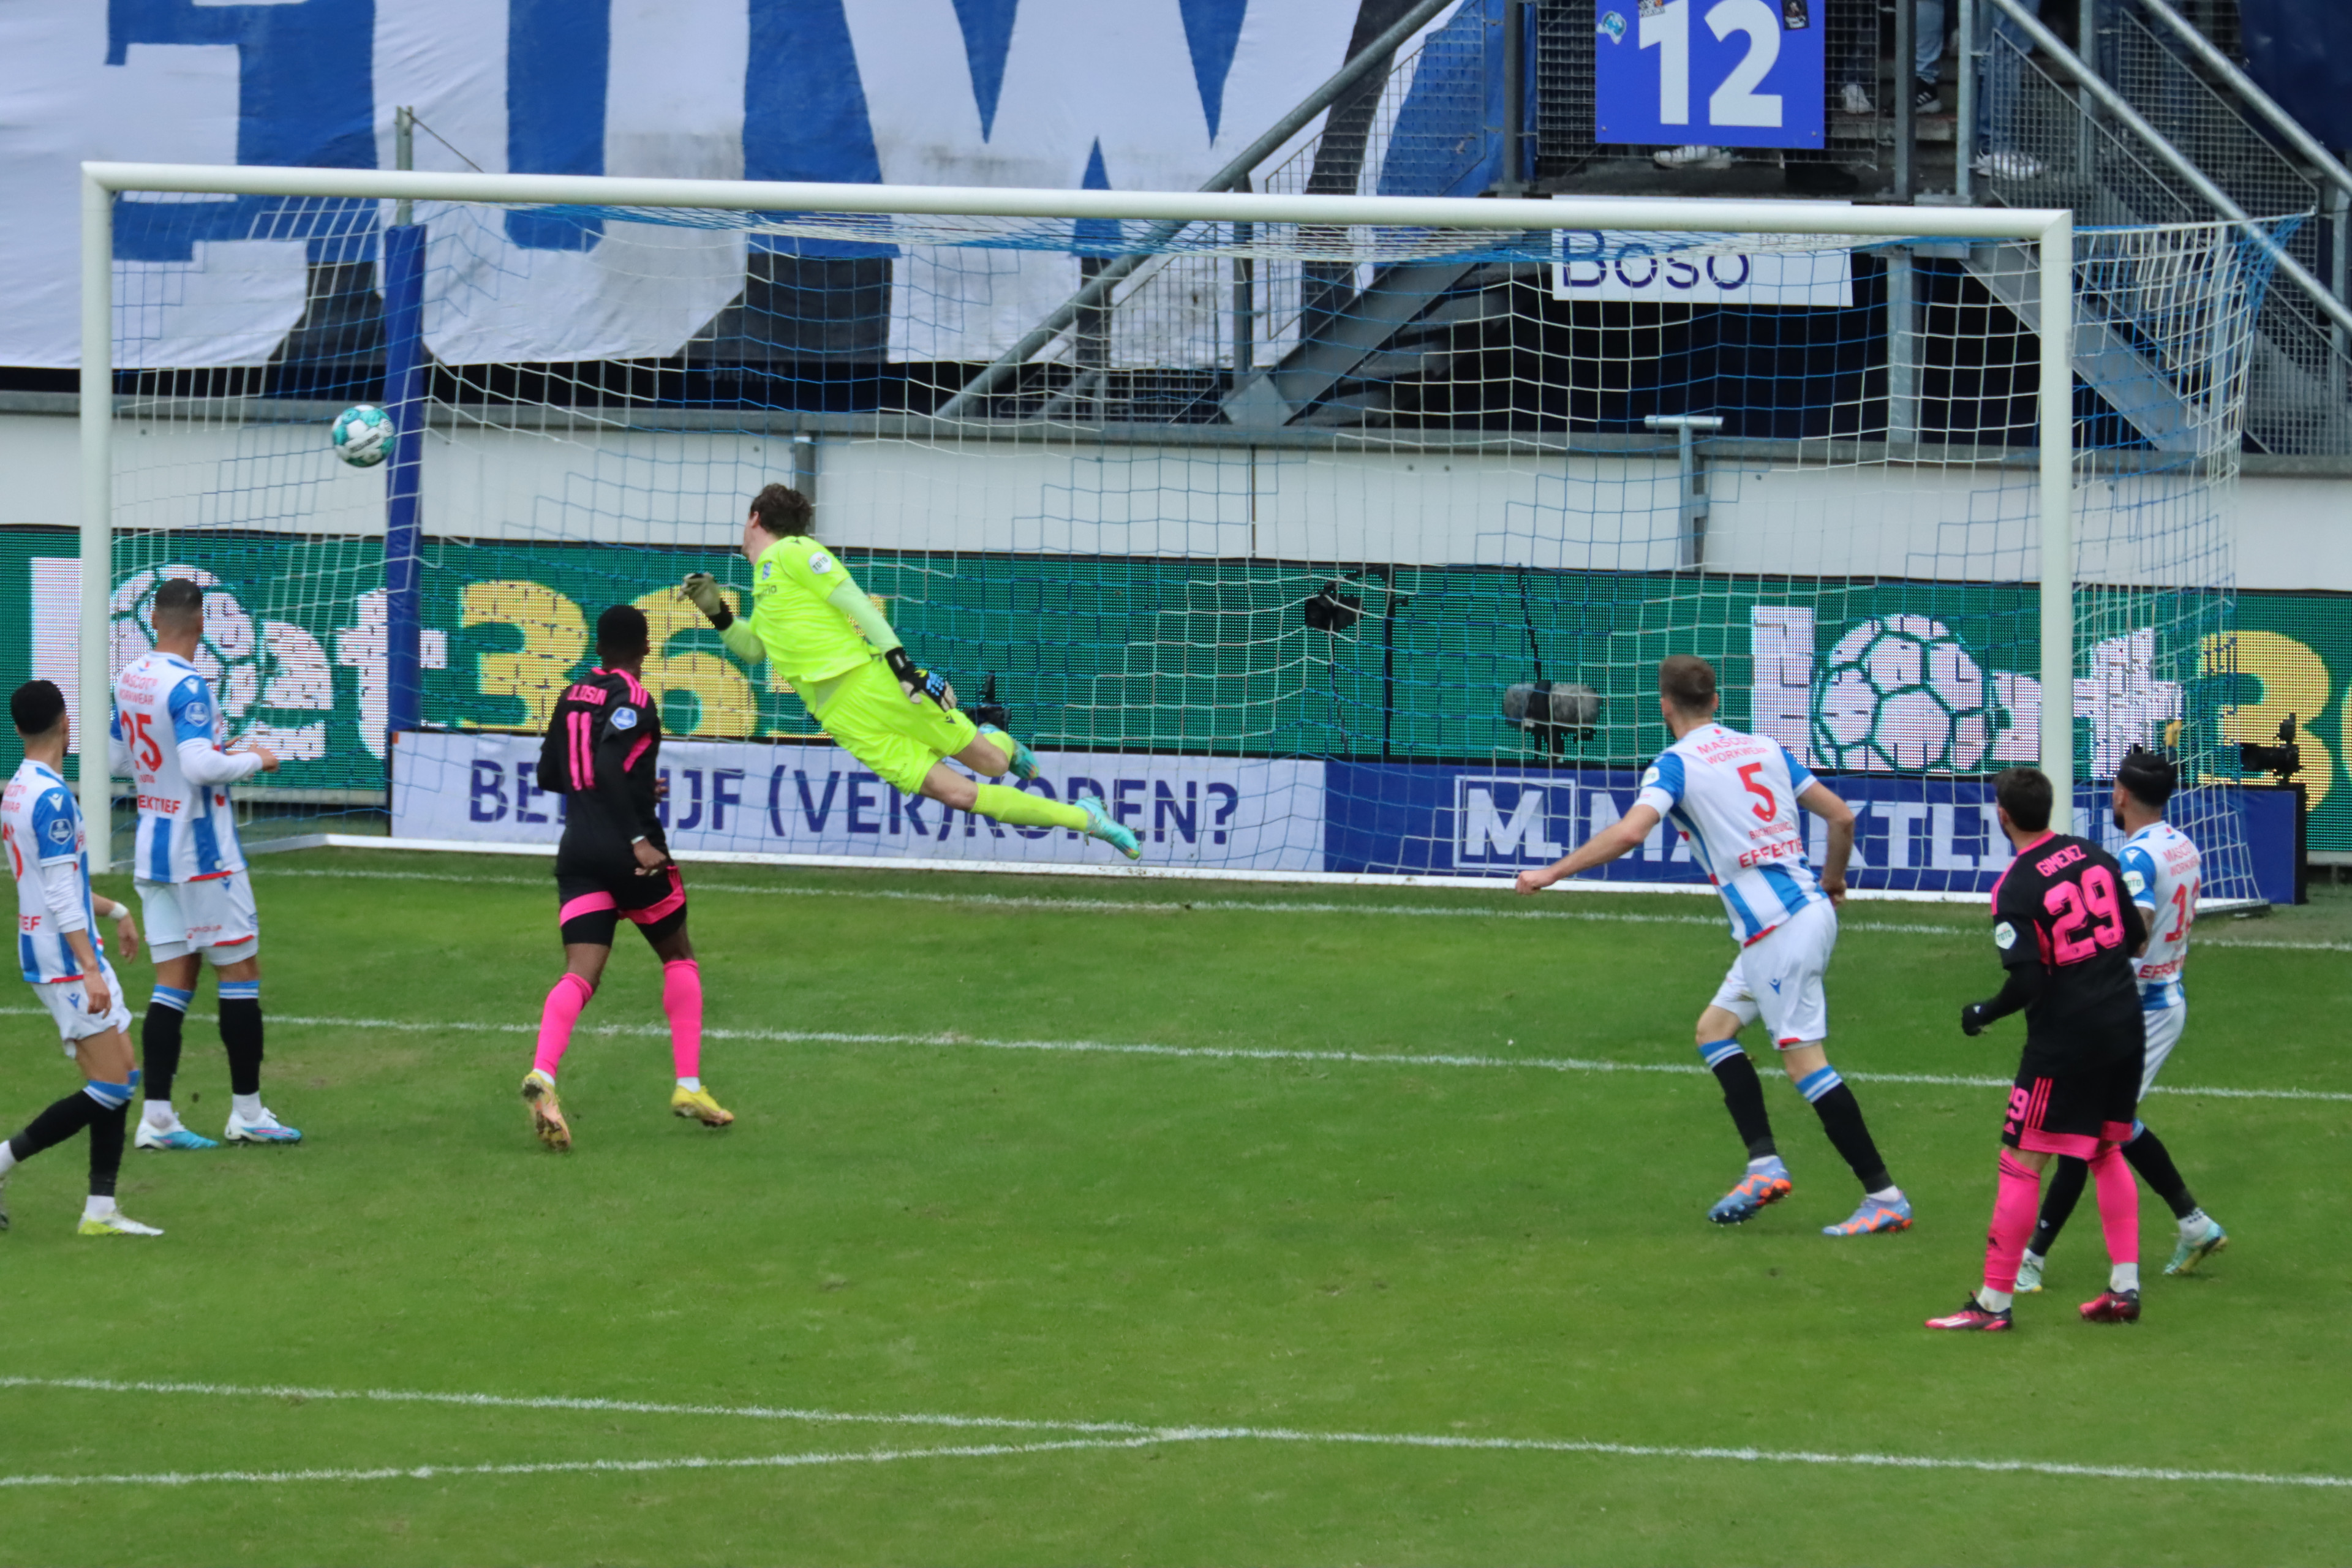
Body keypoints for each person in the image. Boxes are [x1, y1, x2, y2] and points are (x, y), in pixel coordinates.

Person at [1515, 655, 1910, 1236]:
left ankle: (1885, 1197)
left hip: (1780, 930)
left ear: (1664, 705)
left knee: (1806, 1066)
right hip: (1794, 916)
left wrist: (1553, 872)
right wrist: (1832, 881)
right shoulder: (1767, 749)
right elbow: (1842, 818)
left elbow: (1630, 832)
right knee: (1714, 1031)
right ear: (1717, 701)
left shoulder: (1673, 767)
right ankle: (1763, 1164)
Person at [678, 484, 1139, 859]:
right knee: (960, 796)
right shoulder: (763, 585)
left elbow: (856, 602)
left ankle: (998, 737)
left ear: (756, 518)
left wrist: (902, 667)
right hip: (840, 717)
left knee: (994, 764)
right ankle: (1087, 818)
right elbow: (755, 650)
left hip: (873, 682)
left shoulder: (796, 551)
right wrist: (717, 613)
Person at [1930, 766, 2147, 1332]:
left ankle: (1994, 1304)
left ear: (2003, 816)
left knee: (2021, 1159)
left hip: (2067, 1041)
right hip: (2125, 1024)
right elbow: (2135, 936)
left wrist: (1981, 1013)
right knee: (2104, 1150)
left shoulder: (2016, 887)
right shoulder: (2094, 853)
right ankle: (2125, 1288)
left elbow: (2027, 984)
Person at [2013, 747, 2226, 1292]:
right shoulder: (2182, 845)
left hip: (2139, 1005)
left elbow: (2137, 930)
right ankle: (2192, 1221)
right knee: (2110, 1128)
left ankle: (2032, 1259)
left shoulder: (2135, 860)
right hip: (2165, 995)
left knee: (2085, 1133)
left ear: (2123, 795)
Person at [519, 605, 731, 1151]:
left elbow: (550, 773)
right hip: (628, 852)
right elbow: (612, 767)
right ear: (645, 649)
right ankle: (688, 1085)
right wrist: (639, 834)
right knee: (678, 954)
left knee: (580, 974)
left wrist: (634, 784)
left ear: (597, 646)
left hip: (578, 852)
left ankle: (543, 1074)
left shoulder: (572, 695)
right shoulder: (634, 698)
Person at [109, 576, 300, 1147]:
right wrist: (253, 758)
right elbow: (198, 765)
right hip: (203, 854)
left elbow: (119, 758)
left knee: (174, 981)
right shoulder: (189, 685)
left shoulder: (131, 677)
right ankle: (247, 1113)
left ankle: (158, 1119)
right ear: (200, 623)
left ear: (155, 621)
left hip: (153, 847)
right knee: (240, 973)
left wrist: (162, 773)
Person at [1, 680, 162, 1235]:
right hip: (64, 959)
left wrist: (117, 912)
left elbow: (56, 883)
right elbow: (61, 895)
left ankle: (101, 1210)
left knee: (125, 1071)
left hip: (63, 947)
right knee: (112, 1085)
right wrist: (89, 968)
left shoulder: (20, 789)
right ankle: (2, 1162)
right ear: (66, 725)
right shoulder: (51, 801)